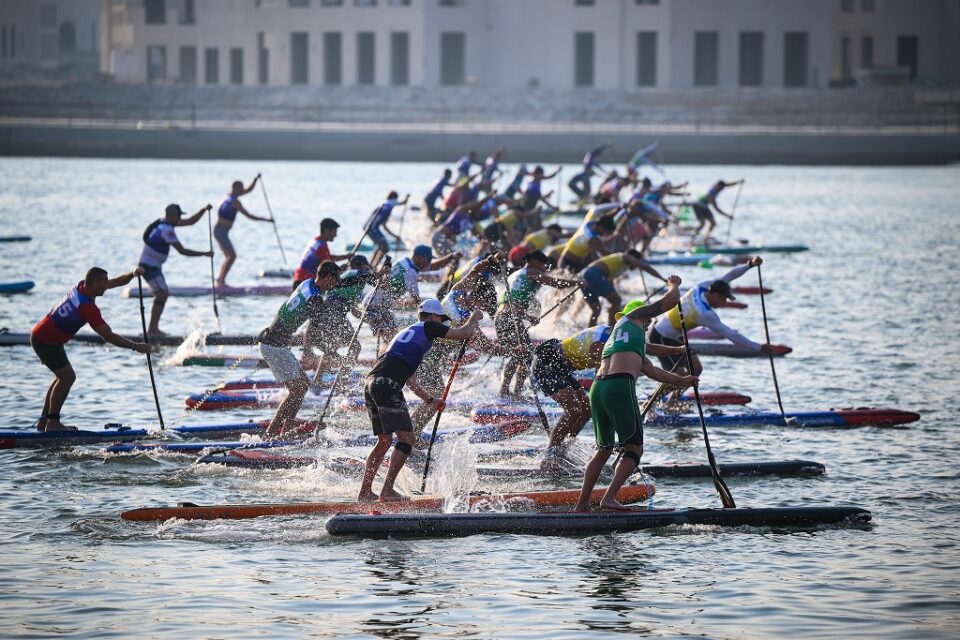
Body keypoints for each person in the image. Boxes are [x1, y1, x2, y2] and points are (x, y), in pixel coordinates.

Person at [575, 281, 699, 512]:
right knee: (634, 448)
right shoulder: (634, 318)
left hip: (598, 388)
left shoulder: (620, 337)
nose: (649, 323)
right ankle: (609, 498)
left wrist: (681, 380)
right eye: (648, 320)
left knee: (603, 449)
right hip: (619, 387)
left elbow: (651, 369)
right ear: (640, 315)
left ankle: (581, 505)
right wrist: (674, 285)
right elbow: (669, 302)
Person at [358, 299, 482, 502]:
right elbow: (464, 333)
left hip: (371, 383)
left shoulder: (406, 335)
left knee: (384, 441)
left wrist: (432, 400)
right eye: (441, 320)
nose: (442, 325)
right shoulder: (428, 327)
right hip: (387, 384)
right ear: (433, 317)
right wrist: (474, 318)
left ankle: (365, 492)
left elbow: (411, 381)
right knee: (407, 439)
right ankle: (387, 491)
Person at [31, 267, 151, 431]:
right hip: (45, 340)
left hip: (46, 336)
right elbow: (108, 336)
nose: (106, 286)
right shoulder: (87, 307)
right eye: (103, 283)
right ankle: (52, 423)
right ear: (94, 283)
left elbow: (116, 282)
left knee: (62, 377)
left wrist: (132, 274)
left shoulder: (82, 286)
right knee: (67, 377)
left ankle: (44, 421)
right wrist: (136, 347)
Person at [648, 257, 780, 377]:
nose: (724, 303)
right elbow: (732, 335)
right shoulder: (705, 314)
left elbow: (729, 276)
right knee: (678, 374)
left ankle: (674, 397)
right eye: (724, 299)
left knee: (696, 369)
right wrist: (759, 347)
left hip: (675, 336)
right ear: (715, 294)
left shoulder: (702, 287)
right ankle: (664, 399)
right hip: (660, 337)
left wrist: (749, 265)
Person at [257, 261, 342, 439]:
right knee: (298, 390)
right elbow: (315, 330)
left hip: (274, 343)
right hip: (274, 346)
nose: (335, 285)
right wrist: (329, 350)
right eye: (335, 281)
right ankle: (271, 433)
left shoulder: (307, 283)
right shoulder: (315, 298)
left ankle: (285, 432)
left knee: (301, 387)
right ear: (327, 277)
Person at [494, 250, 582, 399]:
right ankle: (514, 393)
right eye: (543, 263)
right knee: (524, 354)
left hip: (501, 317)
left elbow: (512, 300)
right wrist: (578, 283)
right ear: (534, 261)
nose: (544, 267)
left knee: (519, 354)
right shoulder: (531, 271)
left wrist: (526, 316)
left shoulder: (517, 273)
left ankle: (508, 391)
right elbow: (557, 284)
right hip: (510, 317)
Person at [138, 203, 214, 337]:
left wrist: (203, 209)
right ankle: (152, 330)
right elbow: (182, 251)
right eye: (178, 215)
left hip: (152, 266)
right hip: (148, 267)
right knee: (162, 294)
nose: (180, 218)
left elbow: (191, 221)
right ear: (171, 215)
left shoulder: (164, 222)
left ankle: (153, 329)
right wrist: (204, 253)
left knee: (162, 294)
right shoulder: (167, 229)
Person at [363, 245, 461, 345]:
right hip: (376, 305)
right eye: (428, 259)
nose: (428, 262)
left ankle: (385, 355)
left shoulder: (405, 261)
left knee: (390, 337)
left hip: (372, 301)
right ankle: (387, 357)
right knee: (391, 338)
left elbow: (432, 266)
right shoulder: (410, 271)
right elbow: (417, 300)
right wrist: (434, 315)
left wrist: (451, 257)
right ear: (418, 257)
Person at [580, 250, 667, 326]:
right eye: (637, 261)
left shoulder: (619, 264)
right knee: (617, 301)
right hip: (593, 274)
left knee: (596, 310)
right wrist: (663, 279)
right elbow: (645, 267)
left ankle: (590, 331)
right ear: (633, 258)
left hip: (585, 275)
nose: (636, 266)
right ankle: (612, 328)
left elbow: (610, 283)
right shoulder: (626, 256)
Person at [214, 175, 273, 287]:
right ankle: (221, 282)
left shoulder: (228, 195)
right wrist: (266, 220)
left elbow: (248, 190)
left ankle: (219, 281)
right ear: (235, 188)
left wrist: (255, 180)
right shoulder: (235, 202)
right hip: (221, 232)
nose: (243, 190)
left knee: (228, 257)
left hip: (220, 231)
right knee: (232, 256)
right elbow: (249, 216)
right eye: (240, 189)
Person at [292, 218, 350, 288]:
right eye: (334, 231)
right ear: (326, 231)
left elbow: (326, 257)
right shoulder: (322, 247)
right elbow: (329, 268)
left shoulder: (316, 240)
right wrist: (342, 269)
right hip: (306, 281)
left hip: (298, 277)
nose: (335, 235)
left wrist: (345, 257)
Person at [691, 179, 744, 245]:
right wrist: (728, 216)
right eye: (722, 188)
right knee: (702, 224)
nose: (722, 190)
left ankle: (705, 239)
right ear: (718, 186)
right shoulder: (711, 195)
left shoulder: (718, 186)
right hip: (698, 206)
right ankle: (692, 238)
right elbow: (717, 209)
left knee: (713, 223)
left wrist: (738, 182)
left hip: (705, 206)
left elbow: (727, 184)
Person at [365, 191, 409, 268]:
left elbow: (385, 227)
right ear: (394, 197)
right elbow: (403, 202)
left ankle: (371, 266)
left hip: (367, 228)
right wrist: (407, 197)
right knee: (385, 247)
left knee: (380, 246)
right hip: (372, 229)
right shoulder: (390, 202)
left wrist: (395, 236)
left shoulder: (383, 204)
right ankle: (373, 266)